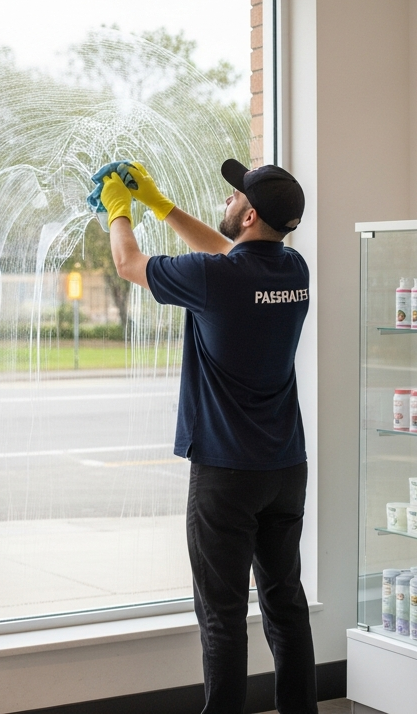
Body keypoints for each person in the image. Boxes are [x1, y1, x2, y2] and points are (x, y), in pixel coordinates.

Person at [101, 159, 314, 714]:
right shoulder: (294, 270)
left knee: (222, 616)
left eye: (235, 196)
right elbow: (229, 253)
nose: (227, 200)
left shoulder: (216, 279)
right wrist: (162, 206)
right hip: (285, 469)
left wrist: (118, 210)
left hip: (226, 475)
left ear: (249, 215)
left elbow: (127, 263)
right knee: (285, 605)